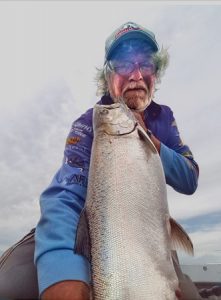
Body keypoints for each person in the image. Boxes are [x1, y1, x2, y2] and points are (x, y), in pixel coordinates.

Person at [0, 22, 199, 300]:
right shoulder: (90, 123)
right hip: (79, 231)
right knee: (10, 287)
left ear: (156, 72)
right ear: (107, 77)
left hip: (147, 234)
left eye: (146, 64)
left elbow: (190, 178)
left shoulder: (163, 118)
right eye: (123, 65)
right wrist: (62, 272)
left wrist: (155, 145)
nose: (136, 75)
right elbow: (66, 195)